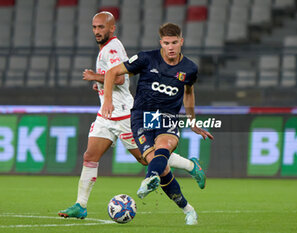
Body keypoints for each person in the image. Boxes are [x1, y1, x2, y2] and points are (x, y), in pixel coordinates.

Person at [58, 12, 206, 220]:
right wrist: (101, 85)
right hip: (106, 115)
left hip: (125, 114)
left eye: (101, 27)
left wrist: (98, 81)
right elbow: (110, 78)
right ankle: (81, 205)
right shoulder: (109, 49)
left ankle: (190, 167)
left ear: (112, 29)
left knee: (151, 160)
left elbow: (118, 78)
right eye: (94, 27)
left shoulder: (113, 48)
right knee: (90, 157)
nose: (97, 31)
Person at [101, 22, 214, 225]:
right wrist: (108, 100)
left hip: (168, 116)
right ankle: (189, 208)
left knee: (165, 146)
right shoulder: (146, 58)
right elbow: (111, 73)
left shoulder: (189, 68)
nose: (170, 47)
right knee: (162, 169)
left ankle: (149, 178)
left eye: (174, 42)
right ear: (160, 42)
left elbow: (188, 93)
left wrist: (193, 122)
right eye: (166, 43)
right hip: (142, 116)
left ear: (181, 42)